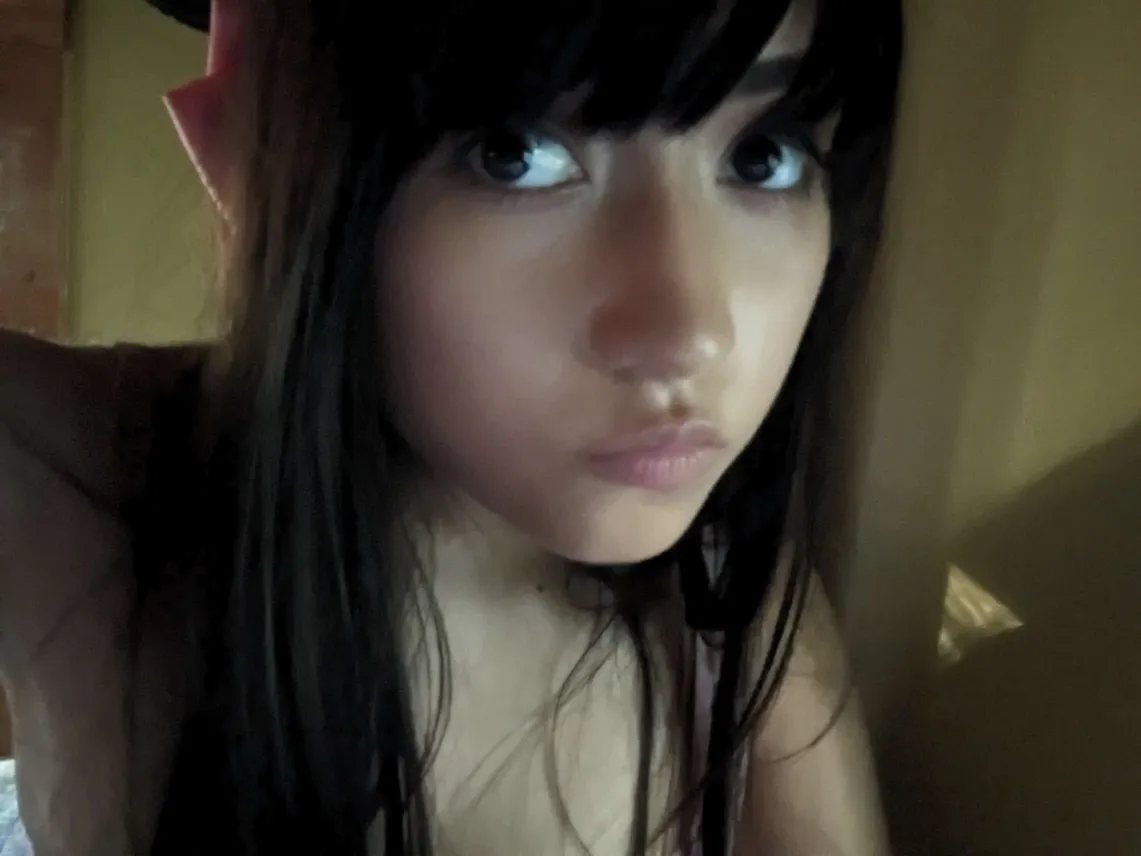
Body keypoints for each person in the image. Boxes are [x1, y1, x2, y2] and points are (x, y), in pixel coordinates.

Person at [0, 0, 903, 853]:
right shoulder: (87, 490)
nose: (690, 335)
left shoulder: (730, 608)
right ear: (286, 162)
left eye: (762, 157)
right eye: (516, 155)